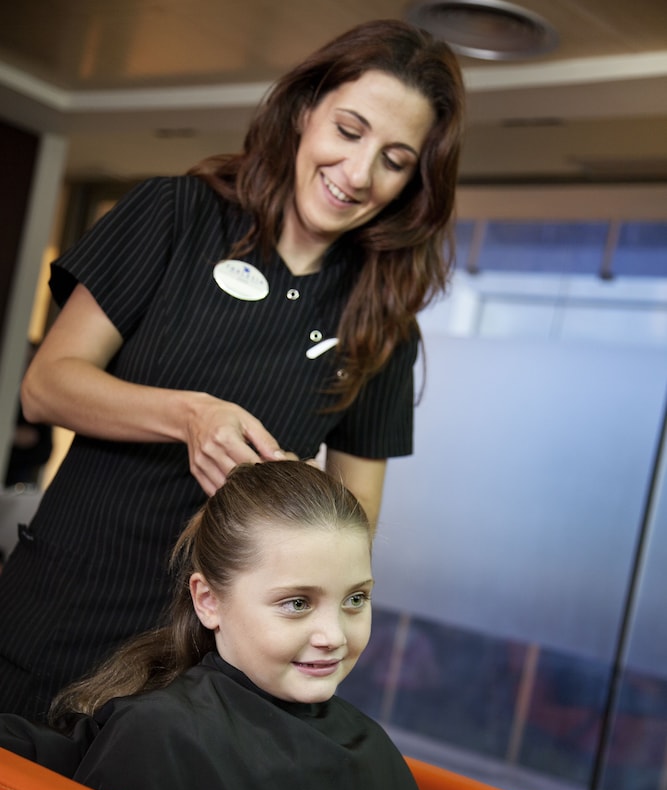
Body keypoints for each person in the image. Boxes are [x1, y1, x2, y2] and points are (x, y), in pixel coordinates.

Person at [0, 18, 465, 721]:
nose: (358, 173)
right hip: (59, 603)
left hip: (203, 658)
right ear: (304, 112)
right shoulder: (176, 214)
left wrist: (298, 498)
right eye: (348, 131)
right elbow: (46, 387)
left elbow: (356, 512)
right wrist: (190, 416)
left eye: (394, 160)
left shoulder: (381, 319)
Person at [0, 462, 484, 790]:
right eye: (296, 604)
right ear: (208, 600)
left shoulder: (370, 748)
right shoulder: (163, 738)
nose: (334, 635)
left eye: (356, 599)